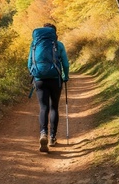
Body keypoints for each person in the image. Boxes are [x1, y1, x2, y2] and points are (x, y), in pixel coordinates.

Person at [28, 23, 70, 152]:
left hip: (39, 79)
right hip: (55, 79)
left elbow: (29, 63)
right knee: (54, 107)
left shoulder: (35, 44)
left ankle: (43, 133)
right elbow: (65, 64)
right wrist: (65, 76)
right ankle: (52, 137)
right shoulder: (58, 45)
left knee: (43, 107)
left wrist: (35, 75)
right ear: (54, 33)